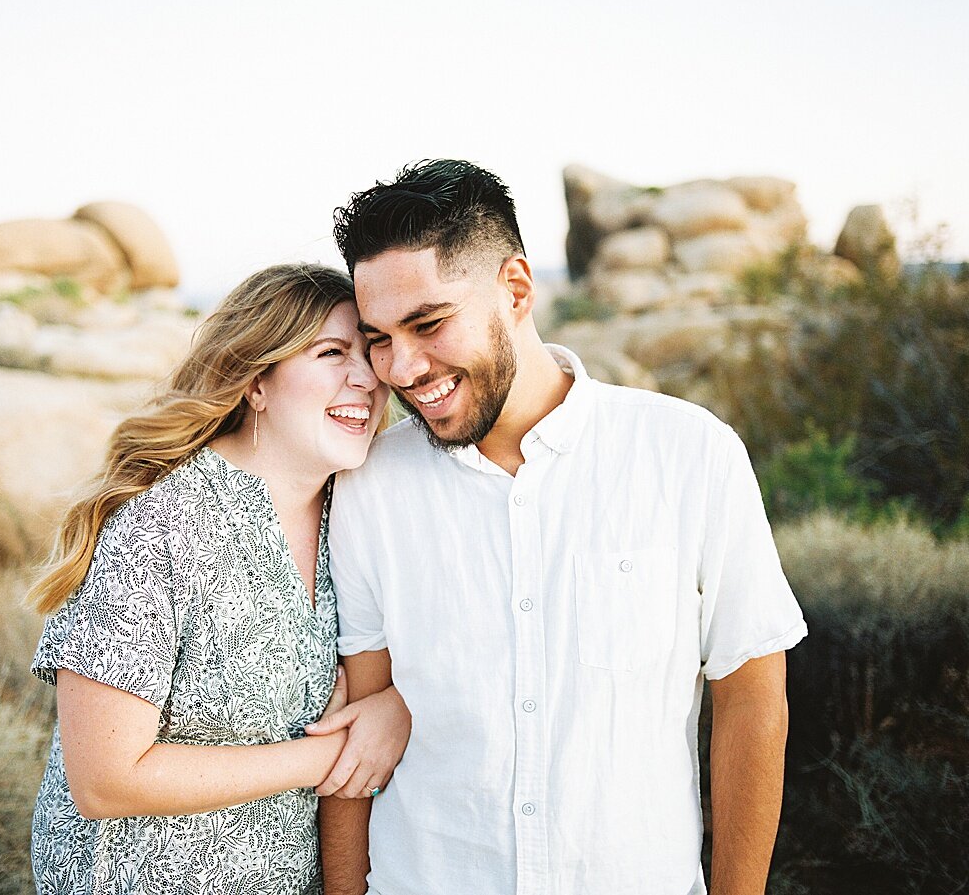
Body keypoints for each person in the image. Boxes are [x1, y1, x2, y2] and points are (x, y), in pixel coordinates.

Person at [310, 160, 808, 895]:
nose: (403, 367)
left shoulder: (689, 453)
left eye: (429, 323)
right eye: (379, 336)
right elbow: (360, 729)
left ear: (515, 288)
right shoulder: (368, 486)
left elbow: (752, 696)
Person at [26, 263, 410, 895]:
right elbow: (104, 779)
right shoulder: (162, 526)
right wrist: (328, 755)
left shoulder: (358, 514)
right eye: (331, 352)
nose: (367, 379)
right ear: (256, 382)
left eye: (370, 353)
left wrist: (394, 708)